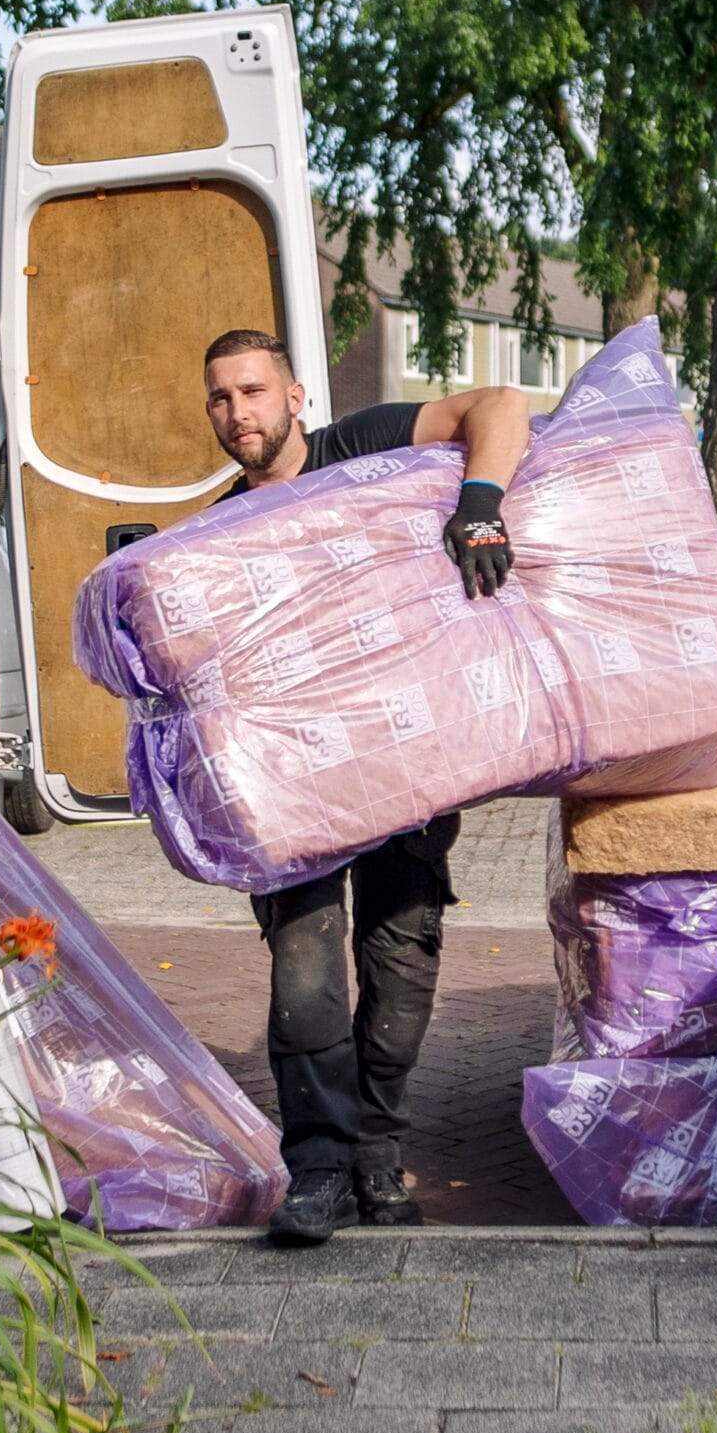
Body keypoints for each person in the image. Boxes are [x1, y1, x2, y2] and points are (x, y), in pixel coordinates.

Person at [197, 327, 530, 1246]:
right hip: (294, 788)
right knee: (304, 972)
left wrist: (480, 505)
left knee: (402, 965)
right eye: (221, 397)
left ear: (294, 397)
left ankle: (376, 1154)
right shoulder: (215, 534)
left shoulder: (364, 447)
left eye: (253, 391)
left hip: (405, 766)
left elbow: (502, 405)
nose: (238, 412)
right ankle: (318, 1167)